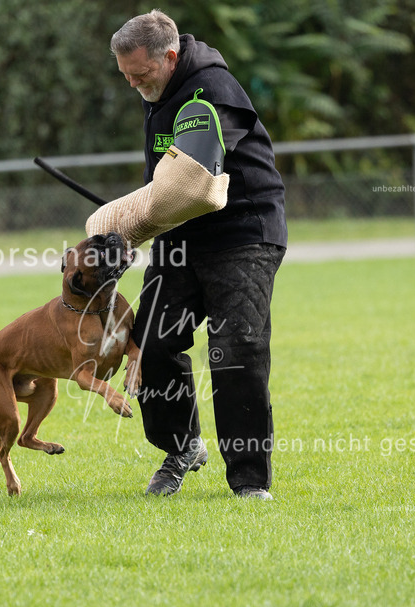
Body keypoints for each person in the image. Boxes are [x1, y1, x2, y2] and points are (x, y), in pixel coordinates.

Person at [110, 10, 288, 500]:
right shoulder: (157, 89)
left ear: (170, 57)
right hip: (182, 237)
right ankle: (183, 445)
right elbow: (163, 186)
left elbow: (192, 183)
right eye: (125, 76)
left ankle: (249, 482)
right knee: (151, 339)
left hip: (242, 234)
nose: (133, 85)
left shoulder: (211, 89)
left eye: (140, 74)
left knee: (234, 351)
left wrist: (122, 223)